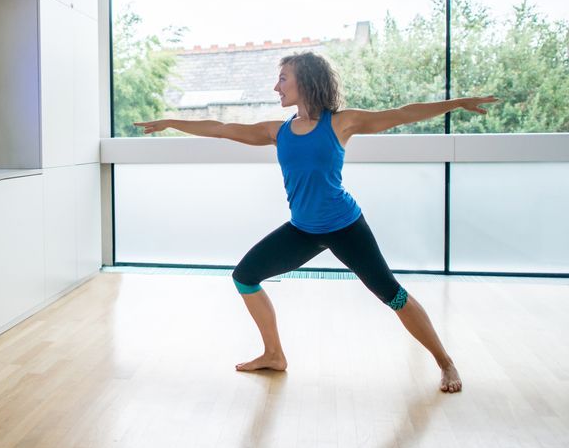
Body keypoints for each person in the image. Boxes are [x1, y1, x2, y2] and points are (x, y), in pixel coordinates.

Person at [135, 51, 498, 393]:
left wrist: (457, 103)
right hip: (303, 230)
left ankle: (445, 362)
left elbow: (403, 113)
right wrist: (170, 122)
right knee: (245, 278)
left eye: (282, 79)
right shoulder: (277, 132)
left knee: (392, 294)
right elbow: (222, 128)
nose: (276, 87)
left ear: (305, 83)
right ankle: (274, 355)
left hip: (345, 226)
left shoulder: (341, 123)